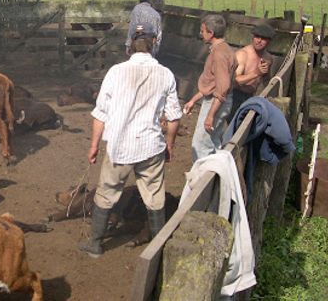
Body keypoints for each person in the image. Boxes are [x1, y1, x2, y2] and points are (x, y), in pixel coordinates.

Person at [79, 27, 182, 258]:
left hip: (120, 147)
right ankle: (156, 249)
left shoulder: (116, 72)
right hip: (151, 146)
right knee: (154, 196)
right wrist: (170, 144)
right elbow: (174, 117)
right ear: (153, 45)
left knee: (107, 192)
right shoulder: (165, 74)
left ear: (131, 47)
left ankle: (95, 244)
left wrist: (94, 146)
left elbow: (100, 114)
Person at [183, 14, 236, 162]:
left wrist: (211, 115)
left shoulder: (219, 54)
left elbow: (222, 87)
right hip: (218, 101)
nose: (201, 34)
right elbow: (213, 83)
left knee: (200, 146)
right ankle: (214, 179)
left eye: (202, 31)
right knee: (213, 142)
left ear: (211, 33)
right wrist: (193, 100)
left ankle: (203, 180)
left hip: (216, 103)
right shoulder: (224, 49)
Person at [227, 23, 275, 122]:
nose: (259, 41)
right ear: (253, 37)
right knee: (233, 127)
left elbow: (266, 81)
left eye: (263, 38)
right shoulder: (242, 55)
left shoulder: (268, 58)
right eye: (257, 37)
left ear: (269, 41)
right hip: (234, 96)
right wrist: (256, 73)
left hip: (251, 97)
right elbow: (235, 80)